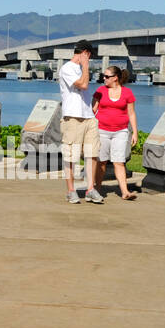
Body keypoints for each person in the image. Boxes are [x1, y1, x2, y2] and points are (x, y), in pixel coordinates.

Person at [58, 39, 103, 204]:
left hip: (89, 117)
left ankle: (90, 189)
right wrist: (85, 66)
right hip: (73, 117)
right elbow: (83, 85)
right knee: (71, 156)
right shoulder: (67, 68)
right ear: (86, 53)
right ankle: (71, 190)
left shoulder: (80, 68)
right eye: (89, 57)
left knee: (92, 154)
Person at [91, 65, 138, 201]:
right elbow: (92, 110)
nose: (103, 79)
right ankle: (97, 189)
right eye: (103, 76)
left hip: (121, 131)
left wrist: (134, 132)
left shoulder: (127, 93)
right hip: (102, 130)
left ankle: (125, 191)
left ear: (115, 78)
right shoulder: (100, 91)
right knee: (102, 162)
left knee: (119, 162)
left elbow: (131, 113)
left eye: (106, 76)